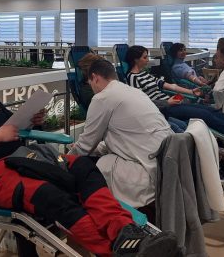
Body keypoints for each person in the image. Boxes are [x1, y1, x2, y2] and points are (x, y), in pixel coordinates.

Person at [0, 52, 179, 256]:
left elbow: (13, 128)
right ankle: (118, 251)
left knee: (84, 167)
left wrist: (31, 120)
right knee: (51, 195)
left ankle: (126, 231)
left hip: (26, 157)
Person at [126, 45, 224, 149]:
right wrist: (166, 102)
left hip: (172, 103)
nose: (148, 60)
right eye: (145, 57)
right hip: (163, 109)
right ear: (136, 60)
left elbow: (171, 86)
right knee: (204, 115)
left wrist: (191, 92)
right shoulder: (132, 78)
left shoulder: (146, 74)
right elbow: (141, 102)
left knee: (210, 110)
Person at [69, 59, 173, 208]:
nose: (91, 88)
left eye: (90, 83)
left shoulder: (102, 98)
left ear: (95, 78)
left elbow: (86, 145)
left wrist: (65, 160)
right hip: (166, 163)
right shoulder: (133, 92)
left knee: (101, 165)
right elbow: (125, 136)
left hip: (148, 172)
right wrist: (96, 148)